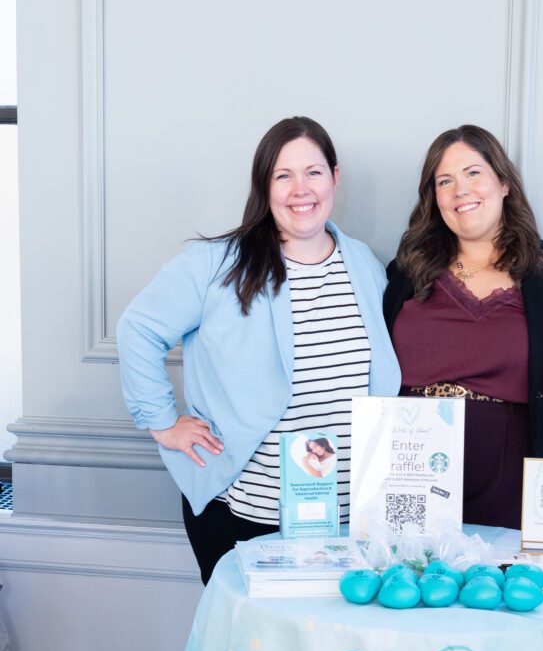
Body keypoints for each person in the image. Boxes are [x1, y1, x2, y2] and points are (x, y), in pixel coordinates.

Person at [117, 117, 400, 583]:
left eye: (313, 172)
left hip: (349, 524)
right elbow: (139, 329)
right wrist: (162, 422)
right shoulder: (216, 264)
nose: (299, 189)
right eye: (282, 175)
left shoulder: (365, 266)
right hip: (245, 518)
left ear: (335, 177)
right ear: (264, 187)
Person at [383, 124, 543, 546]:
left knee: (506, 604)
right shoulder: (405, 274)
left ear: (504, 183)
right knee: (411, 599)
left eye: (474, 173)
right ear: (433, 198)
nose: (461, 190)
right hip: (411, 478)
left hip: (518, 487)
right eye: (445, 181)